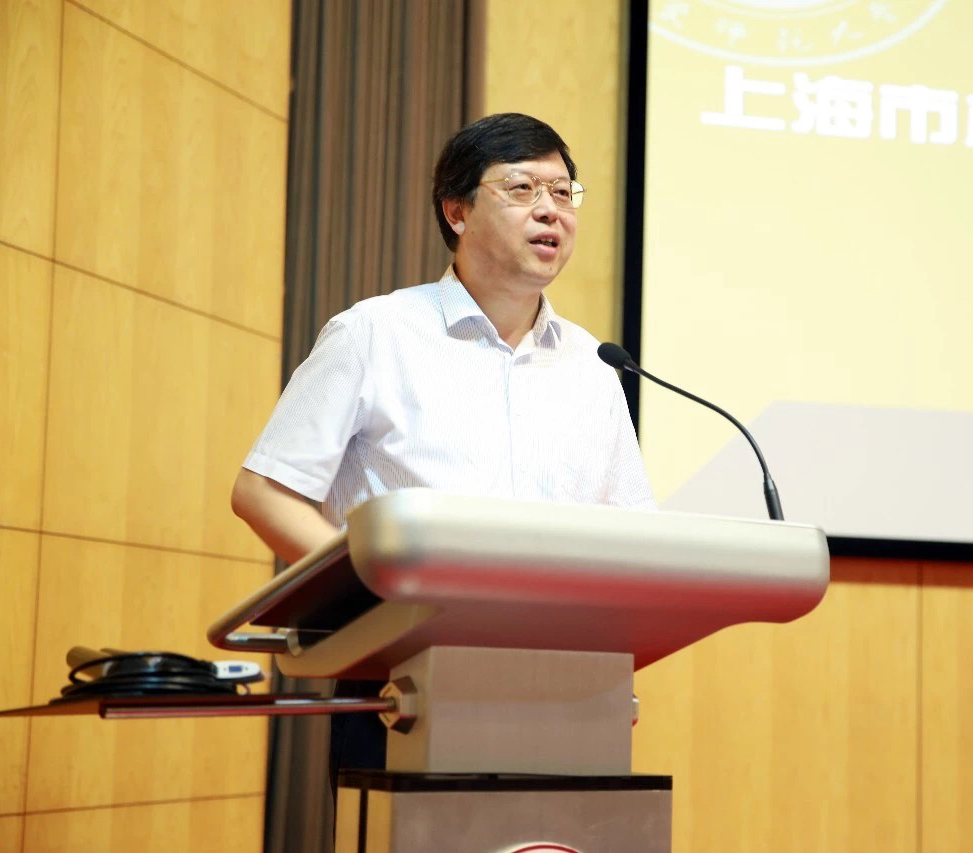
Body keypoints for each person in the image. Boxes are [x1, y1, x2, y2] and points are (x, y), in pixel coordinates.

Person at [230, 112, 655, 785]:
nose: (551, 210)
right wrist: (373, 604)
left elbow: (631, 533)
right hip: (403, 682)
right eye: (522, 189)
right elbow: (264, 490)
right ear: (456, 212)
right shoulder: (377, 332)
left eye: (563, 192)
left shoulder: (594, 365)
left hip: (567, 688)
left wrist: (616, 661)